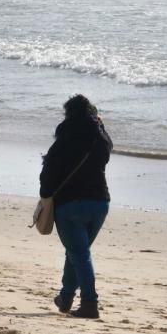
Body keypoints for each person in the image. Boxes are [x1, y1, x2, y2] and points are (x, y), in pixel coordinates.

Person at [40, 94, 112, 319]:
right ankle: (65, 297)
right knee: (77, 252)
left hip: (70, 205)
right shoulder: (99, 140)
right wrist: (100, 125)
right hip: (100, 203)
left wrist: (45, 196)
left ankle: (90, 303)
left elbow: (48, 172)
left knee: (79, 254)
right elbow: (109, 147)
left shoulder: (64, 138)